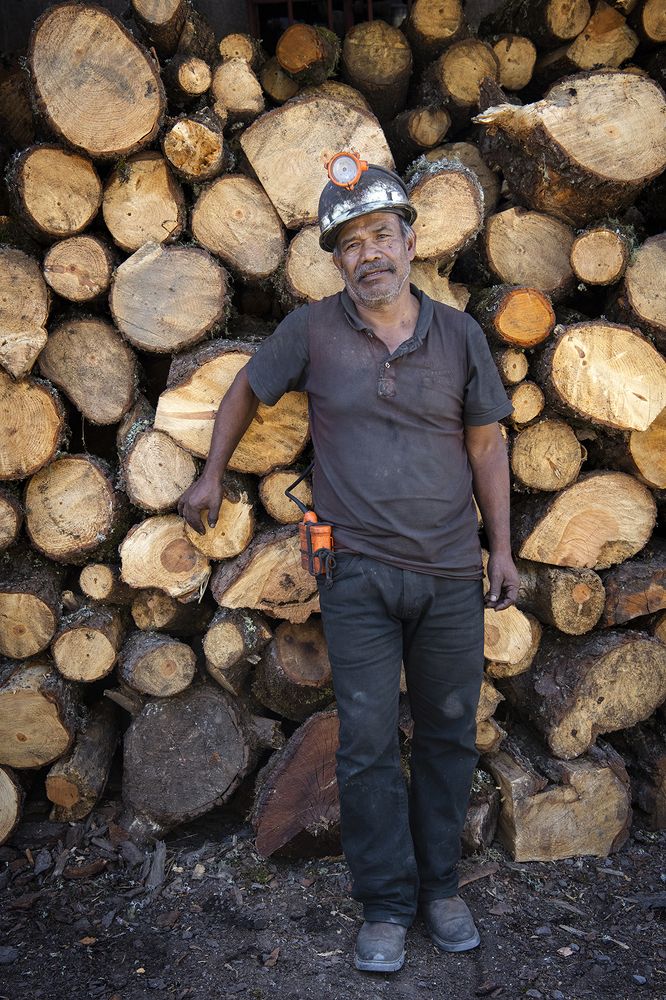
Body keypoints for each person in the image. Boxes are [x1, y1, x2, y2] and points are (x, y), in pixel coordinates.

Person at [178, 154, 520, 974]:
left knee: (444, 735)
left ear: (410, 242)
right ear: (335, 259)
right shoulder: (313, 331)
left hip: (446, 576)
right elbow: (244, 393)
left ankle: (440, 888)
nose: (368, 253)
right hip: (357, 575)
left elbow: (487, 443)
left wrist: (501, 549)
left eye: (380, 234)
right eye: (349, 243)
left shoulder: (461, 335)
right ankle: (388, 904)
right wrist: (212, 470)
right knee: (366, 742)